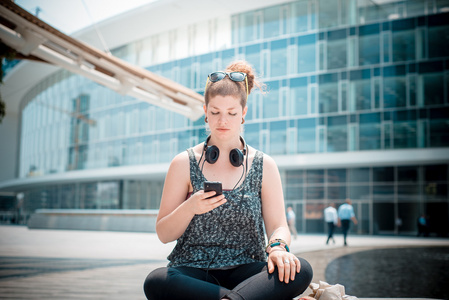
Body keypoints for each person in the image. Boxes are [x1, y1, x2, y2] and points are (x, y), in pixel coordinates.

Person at [143, 60, 313, 300]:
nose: (223, 121)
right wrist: (191, 206)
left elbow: (279, 226)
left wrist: (278, 248)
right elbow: (163, 233)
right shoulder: (183, 163)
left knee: (300, 269)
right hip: (193, 271)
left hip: (248, 270)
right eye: (215, 112)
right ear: (205, 111)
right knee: (156, 280)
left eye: (232, 113)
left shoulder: (264, 164)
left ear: (243, 113)